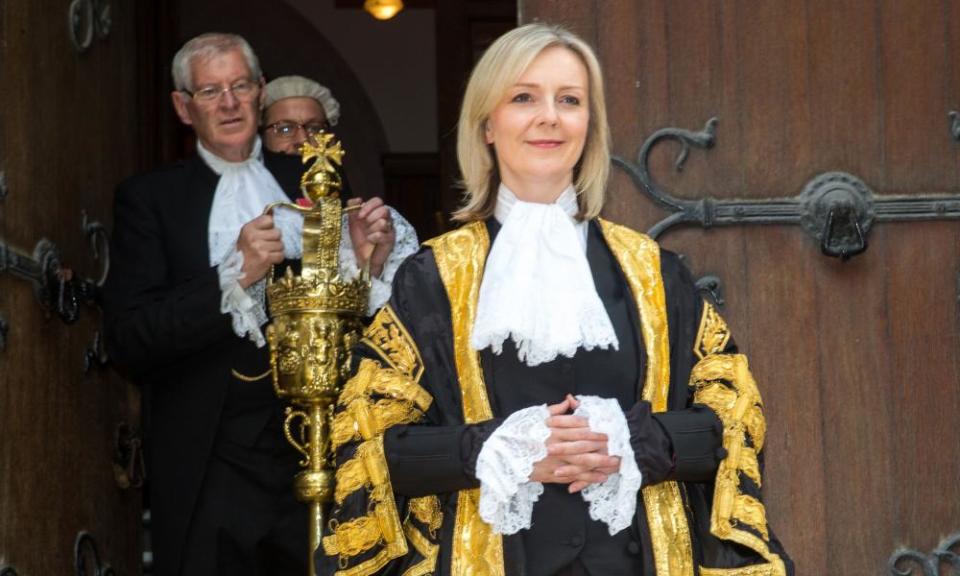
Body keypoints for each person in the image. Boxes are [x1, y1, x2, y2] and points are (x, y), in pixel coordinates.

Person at [319, 23, 794, 576]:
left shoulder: (654, 273)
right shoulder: (432, 279)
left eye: (569, 100)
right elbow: (371, 446)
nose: (549, 116)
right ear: (487, 126)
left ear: (588, 126)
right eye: (524, 97)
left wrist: (633, 441)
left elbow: (732, 421)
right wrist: (497, 449)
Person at [101, 33, 405, 576]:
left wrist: (364, 262)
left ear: (260, 93)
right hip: (207, 449)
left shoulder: (314, 180)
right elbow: (130, 339)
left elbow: (356, 320)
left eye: (240, 86)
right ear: (183, 106)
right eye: (211, 90)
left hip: (312, 437)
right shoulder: (150, 199)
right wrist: (236, 273)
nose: (229, 102)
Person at [261, 74, 418, 301]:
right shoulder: (241, 213)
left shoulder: (362, 221)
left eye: (315, 128)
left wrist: (371, 266)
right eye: (284, 129)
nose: (303, 139)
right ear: (261, 139)